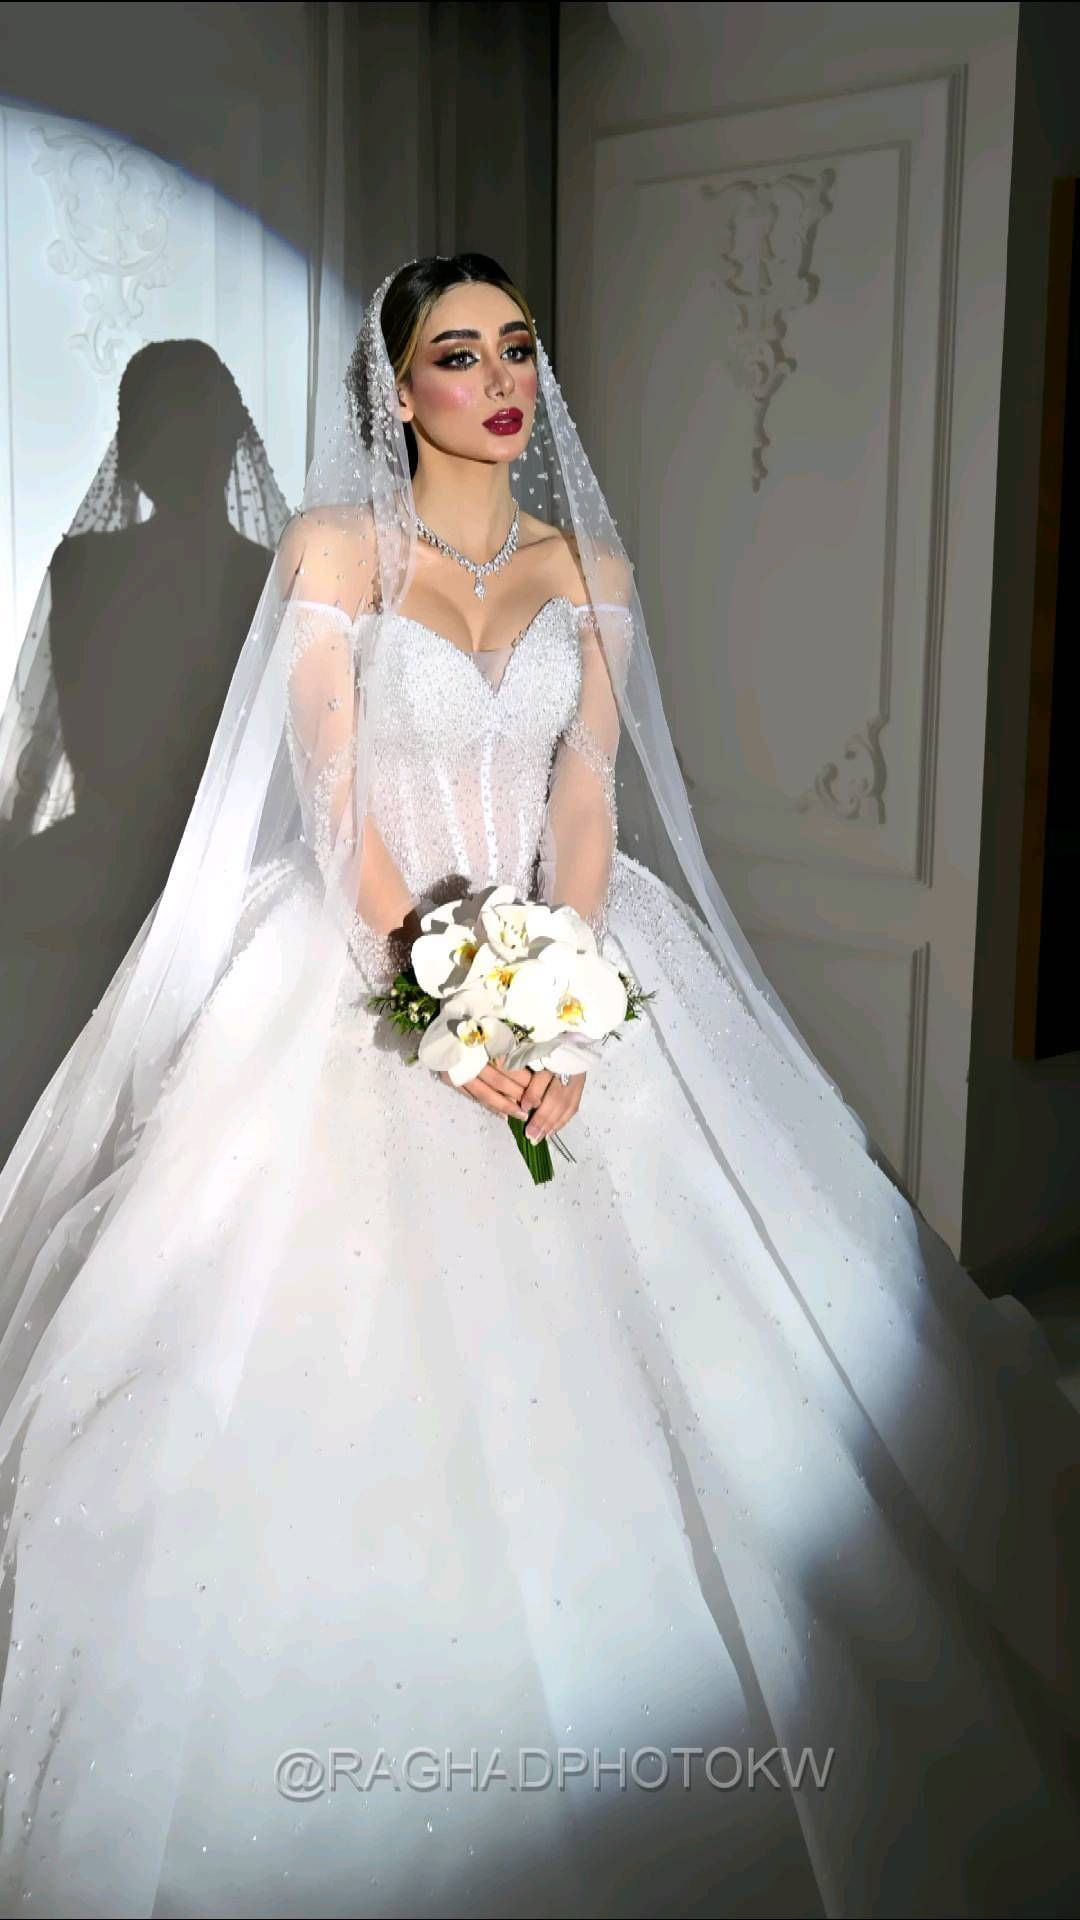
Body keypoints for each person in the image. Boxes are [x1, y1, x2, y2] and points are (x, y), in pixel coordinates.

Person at [0, 254, 1077, 1920]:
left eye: (516, 348)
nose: (499, 379)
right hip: (365, 964)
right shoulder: (334, 551)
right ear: (398, 387)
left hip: (559, 950)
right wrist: (448, 1005)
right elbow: (336, 810)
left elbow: (587, 795)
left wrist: (563, 1000)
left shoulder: (593, 569)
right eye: (458, 353)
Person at [0, 340, 289, 1164]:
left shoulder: (84, 566)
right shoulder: (269, 576)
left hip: (105, 867)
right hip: (202, 869)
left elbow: (59, 737)